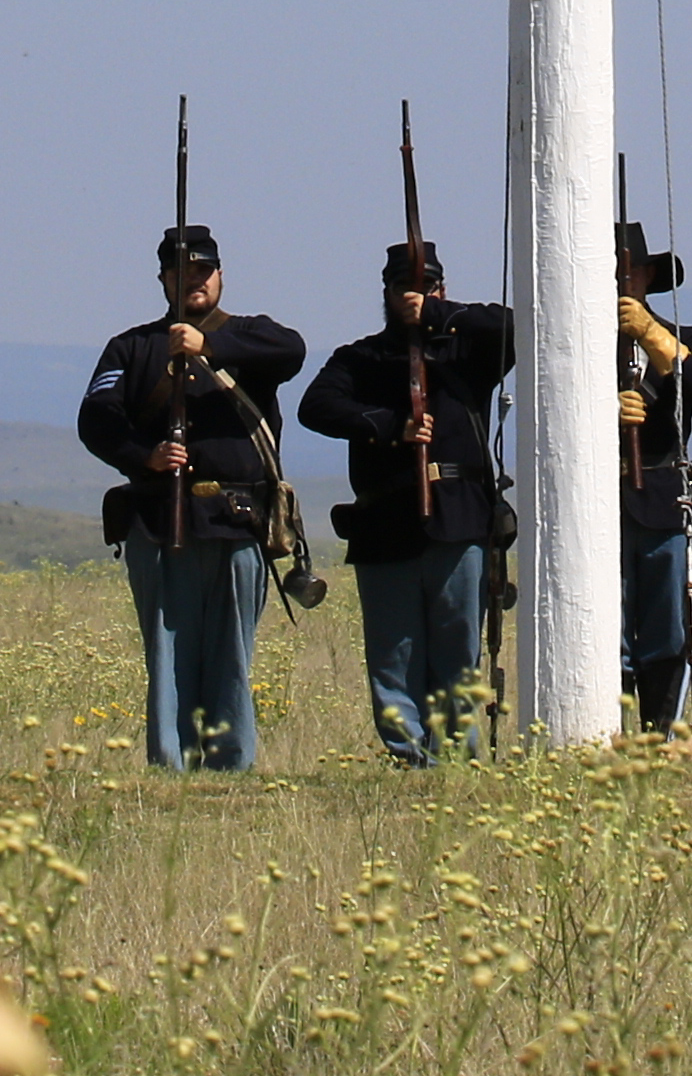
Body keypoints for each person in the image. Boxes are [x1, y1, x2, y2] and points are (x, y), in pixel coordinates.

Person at [75, 219, 307, 771]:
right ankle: (173, 762)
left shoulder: (250, 337)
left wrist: (211, 345)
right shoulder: (131, 349)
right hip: (162, 520)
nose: (193, 282)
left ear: (220, 276)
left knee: (232, 653)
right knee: (168, 649)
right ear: (164, 279)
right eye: (182, 273)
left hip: (238, 519)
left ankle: (231, 761)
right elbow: (95, 418)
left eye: (203, 272)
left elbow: (291, 352)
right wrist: (142, 456)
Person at [298, 240, 515, 765]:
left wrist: (439, 315)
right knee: (394, 654)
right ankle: (410, 757)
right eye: (405, 288)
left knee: (457, 652)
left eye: (428, 287)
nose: (415, 296)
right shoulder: (362, 358)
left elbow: (515, 325)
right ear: (387, 293)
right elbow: (317, 406)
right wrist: (390, 426)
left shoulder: (468, 353)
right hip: (385, 522)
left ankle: (459, 759)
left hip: (458, 518)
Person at [613, 217, 692, 732]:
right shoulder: (574, 345)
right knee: (607, 627)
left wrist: (649, 332)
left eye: (630, 272)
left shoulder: (681, 336)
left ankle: (661, 727)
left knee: (664, 627)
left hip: (659, 492)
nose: (621, 280)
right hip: (600, 499)